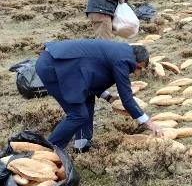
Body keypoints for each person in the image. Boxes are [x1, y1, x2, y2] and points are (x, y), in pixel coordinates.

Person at [35, 39, 164, 152]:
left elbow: (93, 74)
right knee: (78, 114)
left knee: (87, 98)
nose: (137, 72)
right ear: (136, 59)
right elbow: (127, 99)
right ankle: (47, 150)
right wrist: (149, 123)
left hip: (63, 65)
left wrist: (108, 97)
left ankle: (82, 145)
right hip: (53, 67)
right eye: (138, 68)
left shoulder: (119, 52)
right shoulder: (124, 60)